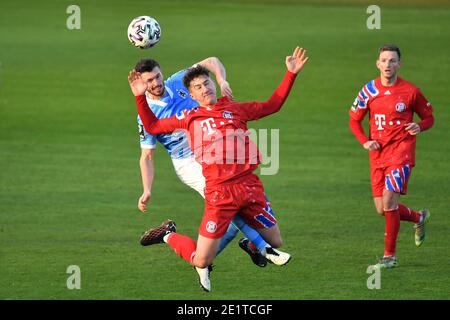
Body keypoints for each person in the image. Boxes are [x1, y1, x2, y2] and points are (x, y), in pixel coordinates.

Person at [128, 46, 308, 292]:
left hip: (241, 180)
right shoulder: (186, 117)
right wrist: (146, 189)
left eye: (157, 76)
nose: (156, 83)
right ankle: (263, 248)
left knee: (230, 228)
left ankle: (184, 242)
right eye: (149, 80)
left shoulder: (188, 84)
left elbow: (269, 102)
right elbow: (149, 145)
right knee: (227, 204)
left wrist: (225, 79)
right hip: (191, 163)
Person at [348, 44, 434, 269]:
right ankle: (418, 218)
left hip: (401, 152)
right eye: (384, 60)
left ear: (399, 64)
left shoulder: (410, 91)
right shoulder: (368, 90)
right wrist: (365, 141)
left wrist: (420, 126)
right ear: (377, 64)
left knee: (388, 201)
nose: (388, 64)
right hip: (378, 155)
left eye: (392, 60)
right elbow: (354, 120)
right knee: (382, 209)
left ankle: (390, 256)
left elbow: (429, 117)